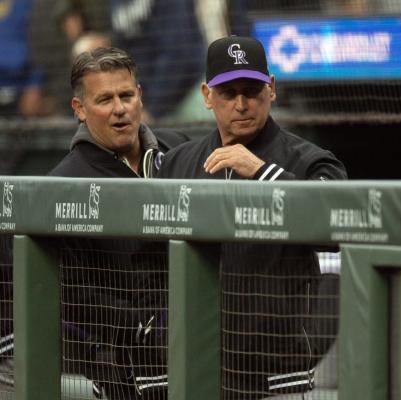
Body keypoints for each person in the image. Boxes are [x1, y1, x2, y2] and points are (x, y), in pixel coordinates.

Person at [158, 36, 347, 399]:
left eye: (252, 90)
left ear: (271, 89)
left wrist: (262, 172)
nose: (242, 104)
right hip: (200, 367)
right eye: (228, 93)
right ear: (207, 95)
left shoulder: (308, 160)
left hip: (279, 373)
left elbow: (335, 224)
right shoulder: (180, 163)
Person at [46, 46, 187, 399]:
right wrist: (143, 327)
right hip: (126, 372)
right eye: (104, 99)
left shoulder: (180, 151)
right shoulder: (64, 185)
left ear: (140, 95)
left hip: (204, 351)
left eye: (126, 95)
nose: (120, 109)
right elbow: (72, 293)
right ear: (79, 109)